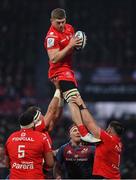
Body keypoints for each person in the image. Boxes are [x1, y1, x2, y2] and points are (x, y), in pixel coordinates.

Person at [44, 8, 100, 143]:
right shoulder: (51, 37)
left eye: (63, 22)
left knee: (58, 114)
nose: (61, 25)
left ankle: (46, 135)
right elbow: (54, 59)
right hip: (58, 72)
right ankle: (83, 132)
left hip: (68, 71)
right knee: (74, 98)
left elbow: (73, 48)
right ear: (52, 21)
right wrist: (70, 45)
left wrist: (77, 46)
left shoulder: (70, 28)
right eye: (58, 23)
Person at [71, 95, 124, 179]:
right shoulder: (117, 143)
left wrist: (81, 104)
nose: (105, 130)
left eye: (106, 129)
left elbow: (89, 123)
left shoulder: (109, 139)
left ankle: (71, 100)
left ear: (109, 130)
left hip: (106, 177)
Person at [5, 107, 54, 179]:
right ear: (33, 123)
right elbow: (50, 163)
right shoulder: (42, 137)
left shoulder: (11, 137)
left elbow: (7, 164)